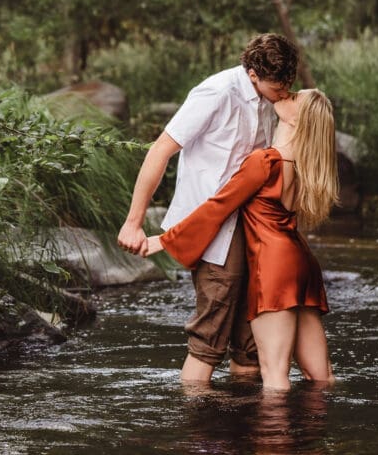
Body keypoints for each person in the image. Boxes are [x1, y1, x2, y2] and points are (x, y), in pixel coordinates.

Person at [117, 33, 299, 382]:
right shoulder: (216, 93)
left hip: (253, 227)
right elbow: (160, 150)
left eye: (288, 84)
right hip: (212, 233)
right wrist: (134, 222)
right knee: (209, 337)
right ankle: (198, 427)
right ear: (253, 74)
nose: (285, 92)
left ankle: (242, 425)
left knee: (250, 342)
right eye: (278, 85)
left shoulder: (273, 99)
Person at [144, 89, 338, 391]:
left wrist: (167, 240)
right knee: (321, 376)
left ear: (295, 118)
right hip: (303, 264)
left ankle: (274, 438)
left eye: (293, 97)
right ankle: (314, 436)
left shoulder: (265, 162)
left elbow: (218, 205)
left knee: (275, 378)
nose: (286, 94)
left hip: (274, 269)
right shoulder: (309, 168)